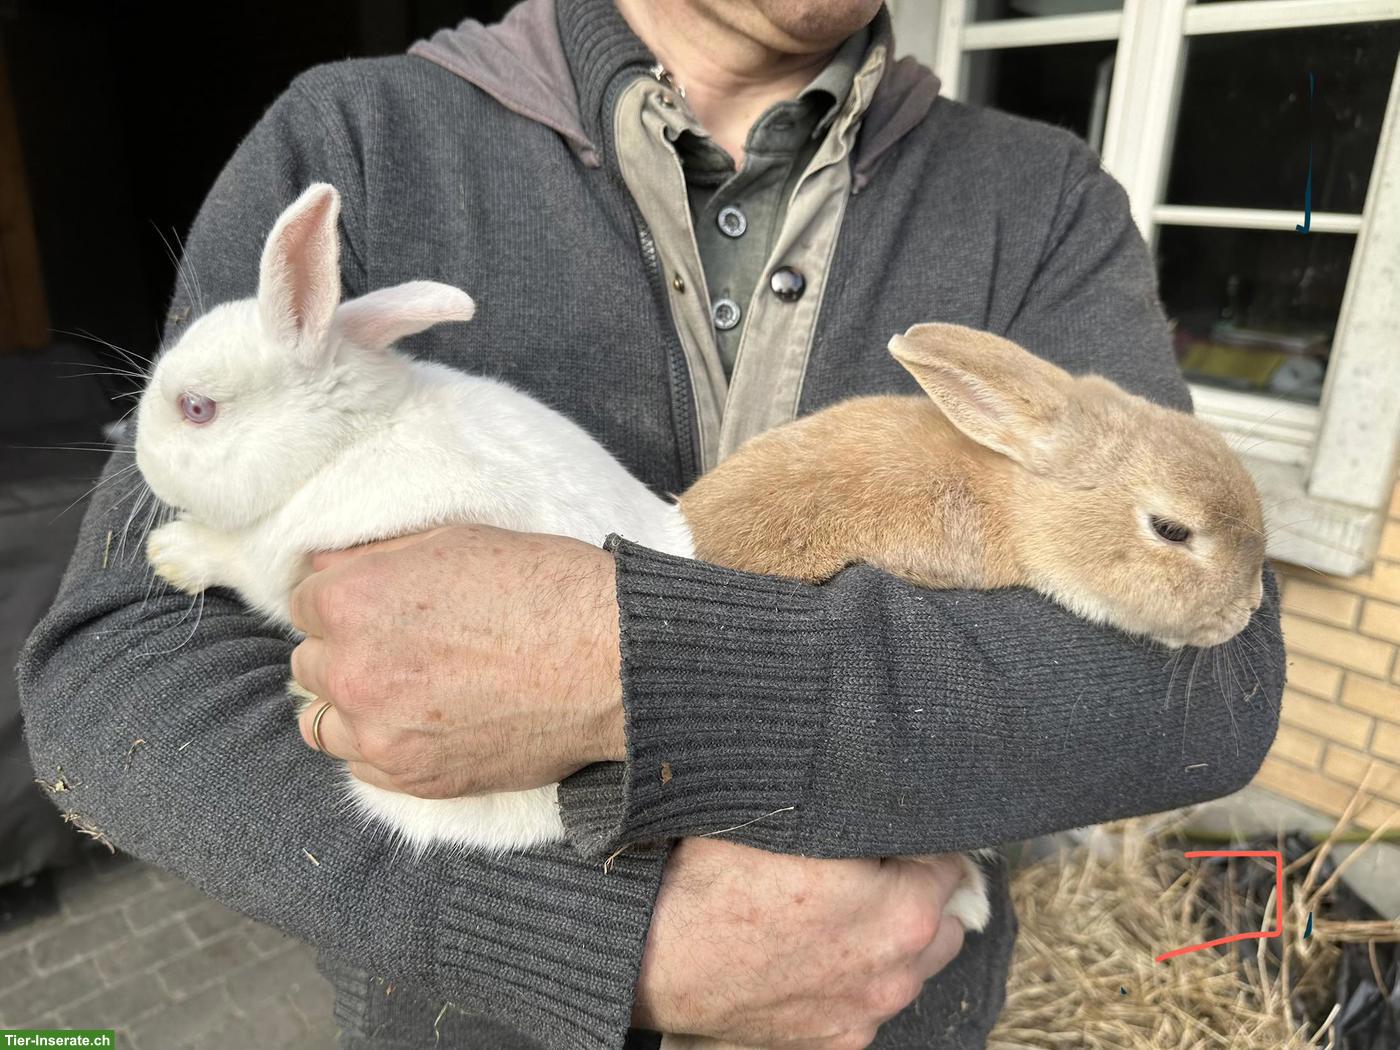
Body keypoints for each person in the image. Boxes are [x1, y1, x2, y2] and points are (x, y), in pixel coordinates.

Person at [19, 1, 1285, 1047]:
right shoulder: (361, 133)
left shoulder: (1041, 199)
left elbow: (1206, 682)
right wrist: (597, 934)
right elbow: (115, 677)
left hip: (897, 1005)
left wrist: (638, 663)